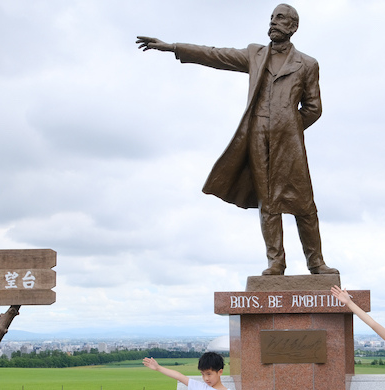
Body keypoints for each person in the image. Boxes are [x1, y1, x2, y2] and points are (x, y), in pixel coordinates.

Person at [136, 4, 339, 276]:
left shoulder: (308, 64)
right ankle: (276, 262)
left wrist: (288, 126)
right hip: (256, 138)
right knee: (267, 202)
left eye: (280, 18)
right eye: (271, 17)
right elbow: (215, 55)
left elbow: (314, 107)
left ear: (293, 26)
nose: (273, 22)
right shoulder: (255, 54)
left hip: (288, 142)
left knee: (303, 202)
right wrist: (173, 47)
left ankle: (316, 262)